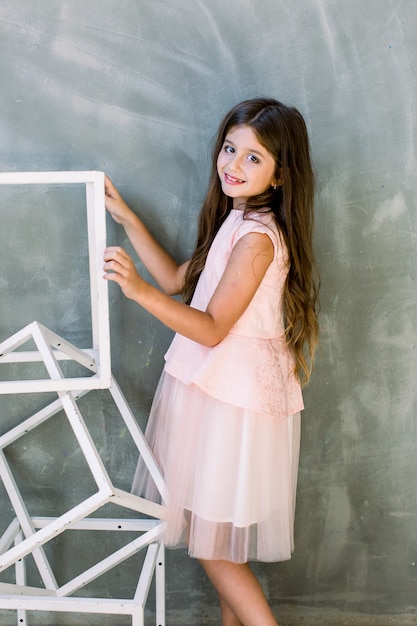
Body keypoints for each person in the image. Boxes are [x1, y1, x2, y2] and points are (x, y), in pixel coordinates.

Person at [103, 97, 319, 626]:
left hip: (233, 399)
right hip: (220, 390)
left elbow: (214, 328)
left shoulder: (257, 241)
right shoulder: (238, 219)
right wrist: (127, 218)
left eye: (253, 158)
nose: (233, 165)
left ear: (281, 174)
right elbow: (180, 281)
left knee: (214, 546)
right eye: (230, 149)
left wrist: (136, 292)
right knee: (222, 543)